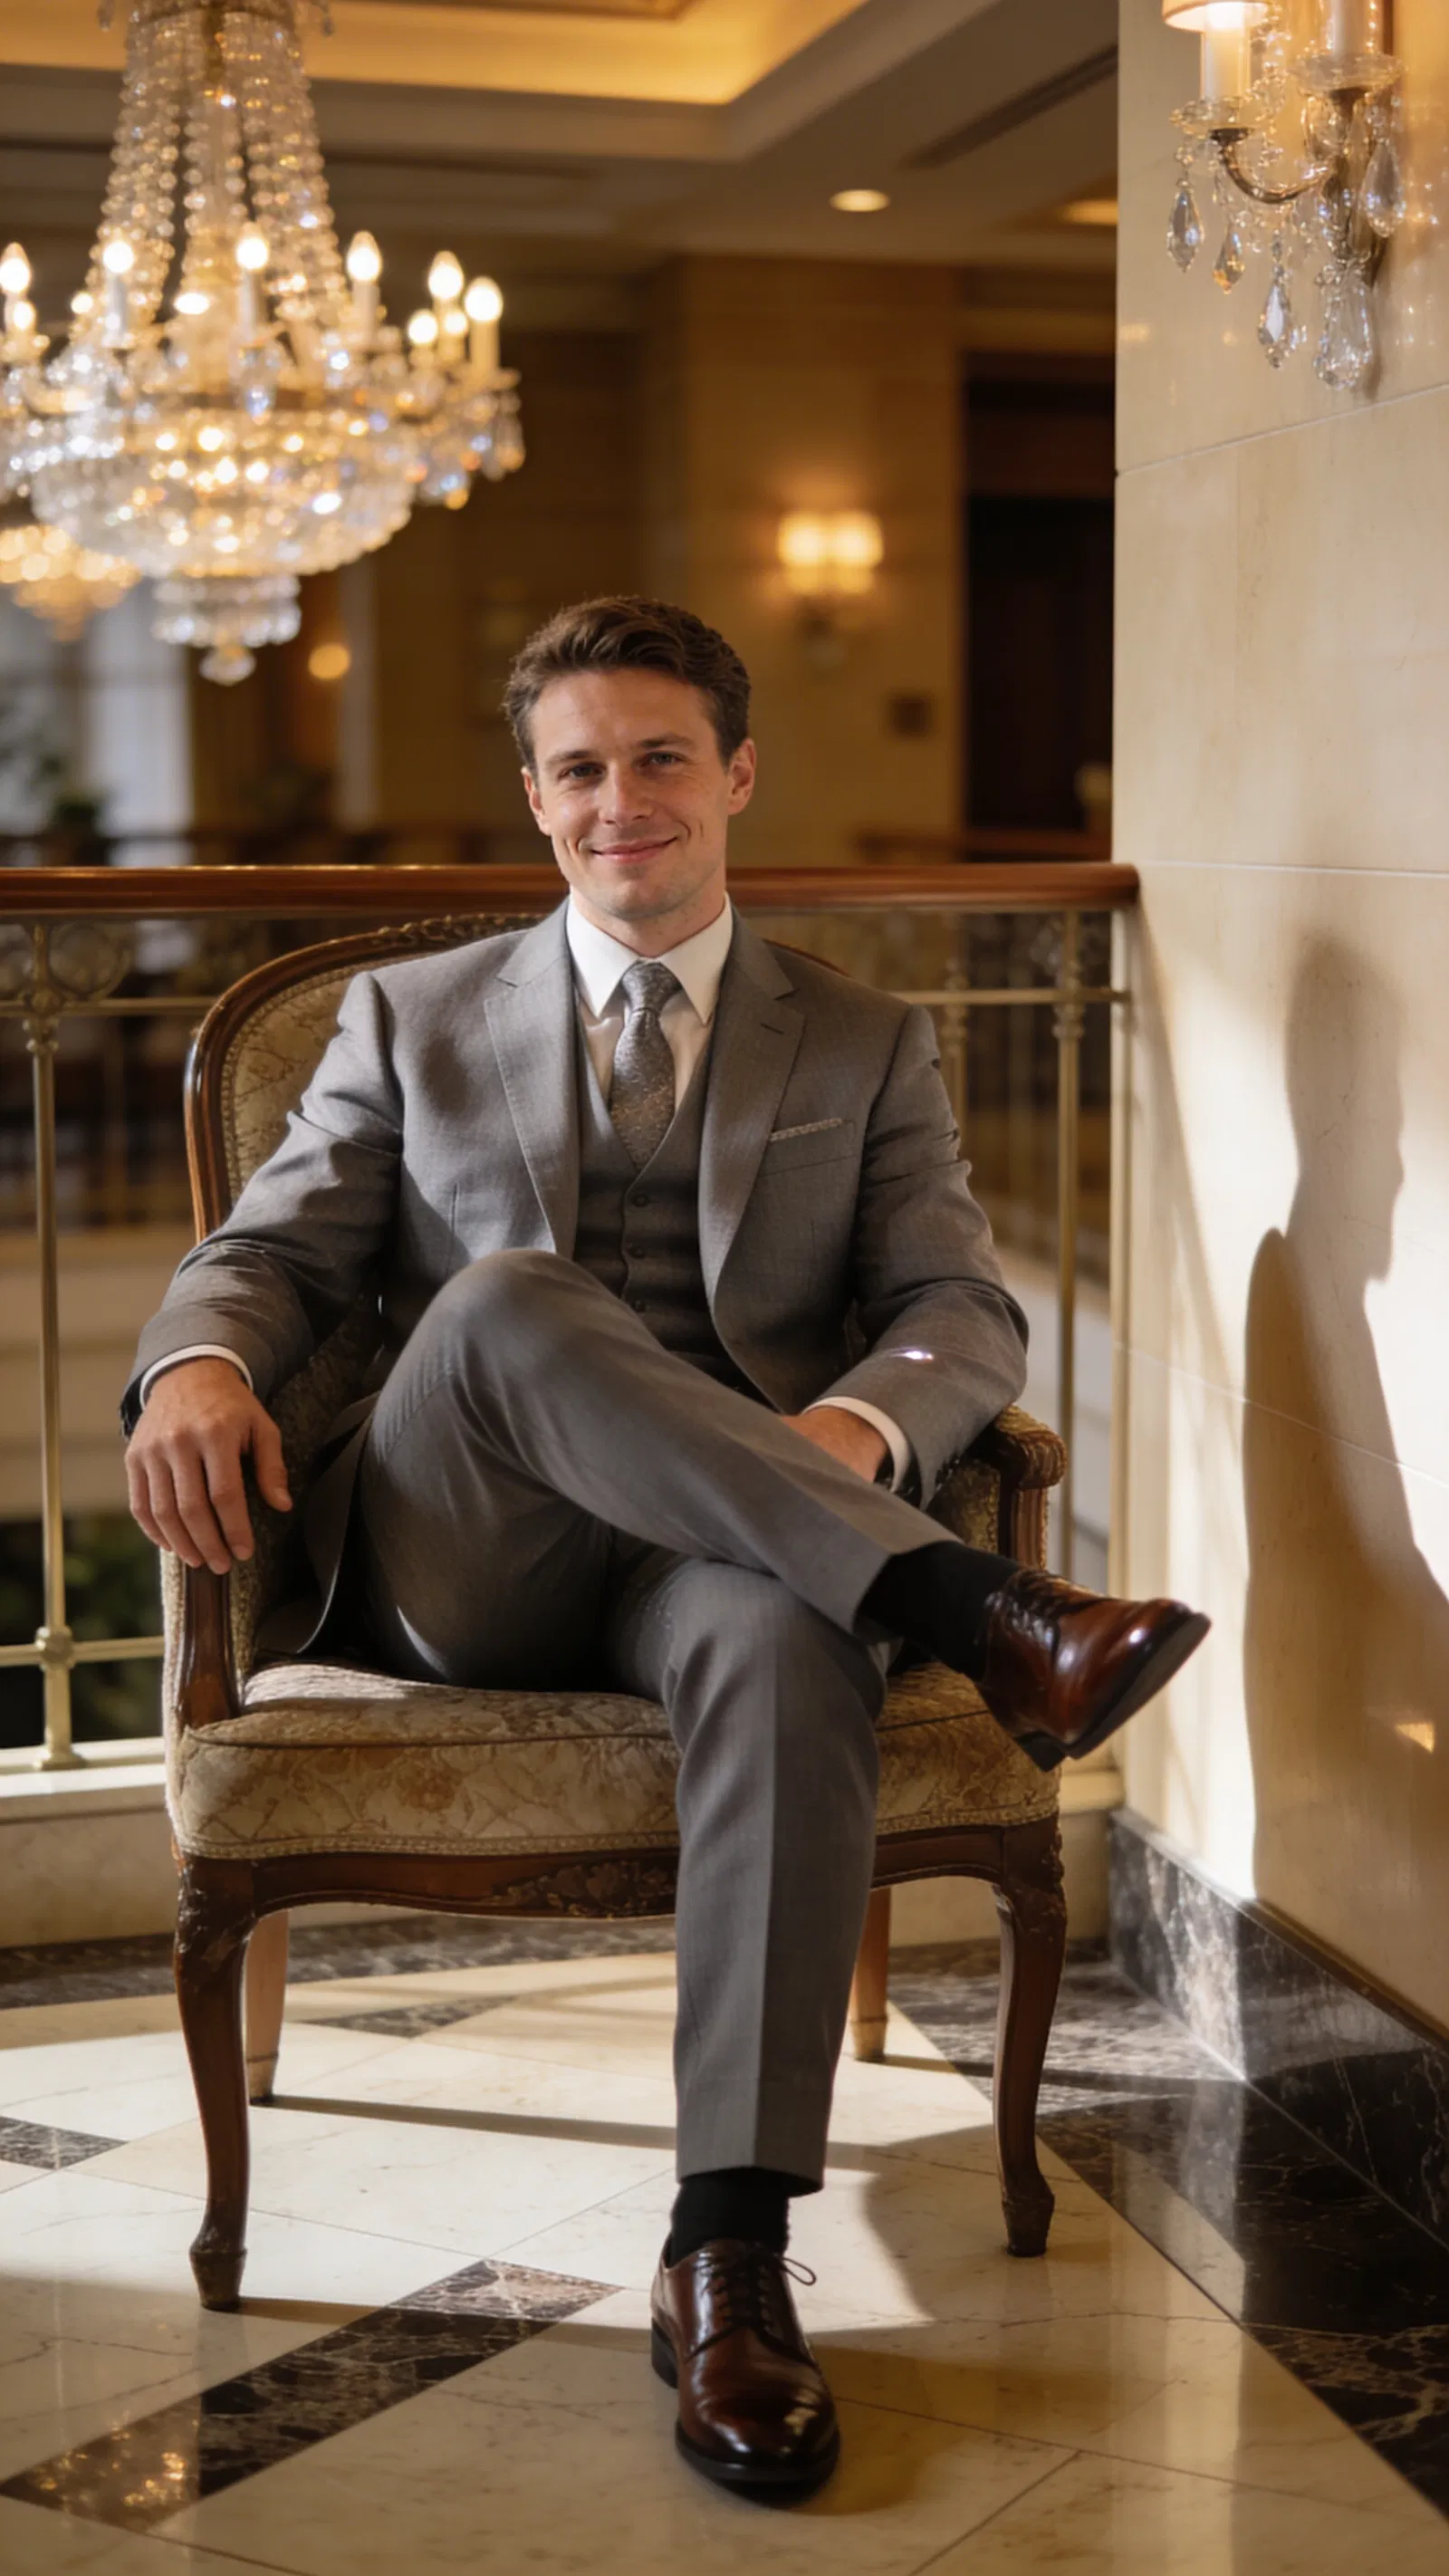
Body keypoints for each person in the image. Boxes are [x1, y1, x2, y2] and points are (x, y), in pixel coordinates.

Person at [124, 597, 1207, 2504]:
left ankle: (724, 2255)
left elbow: (954, 1306)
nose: (616, 803)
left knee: (792, 1638)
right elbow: (274, 1253)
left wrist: (851, 1434)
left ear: (732, 777)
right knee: (504, 1305)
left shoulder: (864, 1041)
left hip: (725, 1557)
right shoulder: (407, 1015)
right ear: (534, 800)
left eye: (654, 761)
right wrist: (199, 1363)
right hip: (467, 1556)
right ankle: (981, 1612)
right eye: (574, 770)